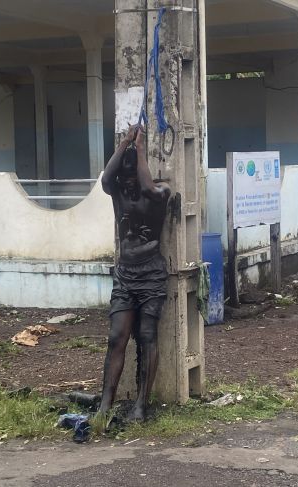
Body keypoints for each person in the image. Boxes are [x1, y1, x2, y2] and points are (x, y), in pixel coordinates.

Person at [98, 124, 171, 422]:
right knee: (117, 337)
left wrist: (139, 149)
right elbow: (106, 178)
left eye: (130, 178)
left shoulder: (159, 193)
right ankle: (105, 405)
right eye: (123, 179)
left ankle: (142, 404)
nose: (127, 184)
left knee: (146, 336)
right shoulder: (118, 193)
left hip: (152, 274)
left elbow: (147, 187)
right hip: (126, 274)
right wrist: (124, 143)